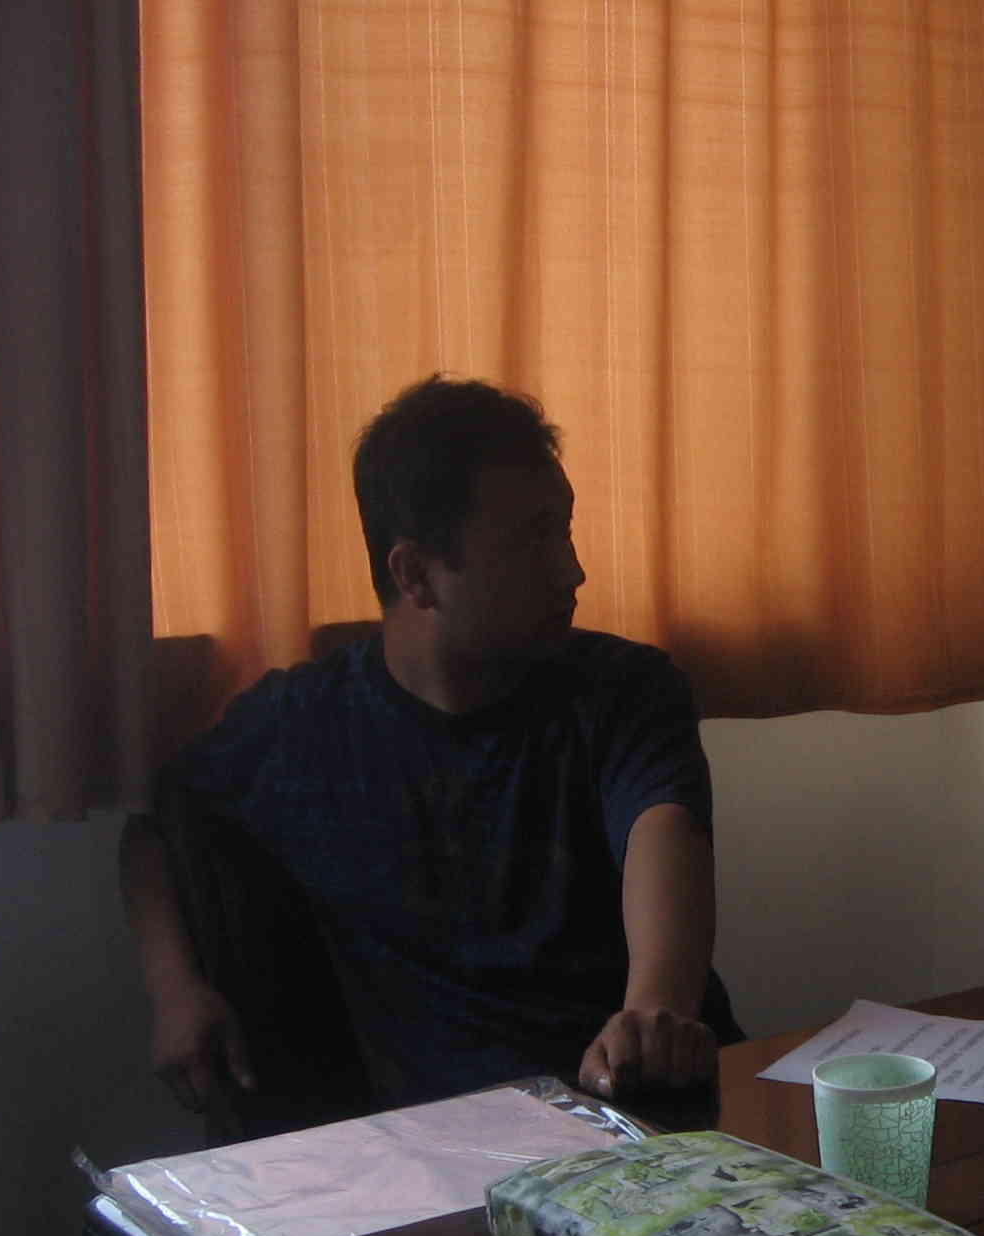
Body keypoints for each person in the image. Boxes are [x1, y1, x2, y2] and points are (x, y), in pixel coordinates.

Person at [121, 376, 740, 1123]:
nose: (571, 569)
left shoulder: (624, 688)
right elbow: (157, 832)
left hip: (650, 1103)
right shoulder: (304, 724)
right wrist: (174, 990)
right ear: (415, 575)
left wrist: (650, 1014)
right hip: (460, 1143)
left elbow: (664, 826)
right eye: (532, 539)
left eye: (565, 530)